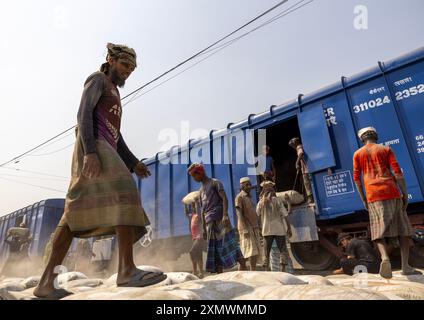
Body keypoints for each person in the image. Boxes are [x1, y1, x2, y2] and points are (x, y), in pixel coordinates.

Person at [34, 43, 166, 299]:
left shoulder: (115, 92)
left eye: (133, 68)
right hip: (94, 147)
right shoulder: (98, 80)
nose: (129, 71)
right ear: (111, 60)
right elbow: (83, 113)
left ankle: (45, 283)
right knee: (126, 192)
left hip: (106, 147)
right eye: (125, 65)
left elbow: (117, 135)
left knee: (74, 214)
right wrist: (91, 153)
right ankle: (126, 270)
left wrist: (133, 162)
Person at [353, 127, 421, 279]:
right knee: (403, 230)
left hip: (372, 195)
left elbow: (356, 178)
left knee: (378, 230)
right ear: (375, 135)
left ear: (362, 138)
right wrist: (404, 193)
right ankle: (405, 266)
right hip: (391, 191)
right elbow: (397, 172)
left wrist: (363, 198)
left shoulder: (357, 154)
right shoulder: (385, 149)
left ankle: (385, 258)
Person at [188, 163, 247, 274]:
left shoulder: (215, 183)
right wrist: (204, 229)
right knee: (215, 251)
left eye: (194, 176)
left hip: (221, 219)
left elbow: (224, 198)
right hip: (209, 224)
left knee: (231, 245)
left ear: (200, 173)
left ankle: (245, 271)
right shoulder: (200, 191)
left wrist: (225, 215)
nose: (194, 179)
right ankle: (220, 278)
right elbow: (202, 211)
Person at [257, 180, 293, 272]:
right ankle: (282, 270)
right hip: (279, 230)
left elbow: (257, 215)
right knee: (283, 250)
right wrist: (288, 228)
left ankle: (266, 272)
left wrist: (259, 228)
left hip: (266, 230)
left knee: (266, 253)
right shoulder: (277, 201)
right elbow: (286, 215)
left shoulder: (261, 203)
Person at [235, 177, 262, 271]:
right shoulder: (239, 197)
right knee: (249, 252)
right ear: (242, 186)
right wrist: (245, 228)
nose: (249, 186)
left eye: (250, 184)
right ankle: (248, 272)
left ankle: (249, 272)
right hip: (246, 227)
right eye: (247, 185)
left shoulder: (249, 197)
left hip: (253, 226)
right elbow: (239, 213)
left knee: (252, 252)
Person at [183, 191, 205, 278]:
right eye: (192, 205)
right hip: (195, 238)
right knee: (198, 255)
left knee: (192, 252)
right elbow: (186, 213)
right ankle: (200, 273)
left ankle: (195, 272)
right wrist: (185, 204)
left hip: (200, 237)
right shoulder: (192, 215)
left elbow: (198, 209)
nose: (193, 206)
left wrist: (196, 202)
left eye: (193, 205)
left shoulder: (199, 215)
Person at [288, 137, 314, 204]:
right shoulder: (301, 146)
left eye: (292, 145)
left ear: (295, 143)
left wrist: (296, 162)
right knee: (308, 184)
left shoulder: (299, 147)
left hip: (306, 170)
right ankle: (310, 198)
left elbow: (301, 153)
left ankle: (311, 199)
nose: (292, 147)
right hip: (305, 169)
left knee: (307, 184)